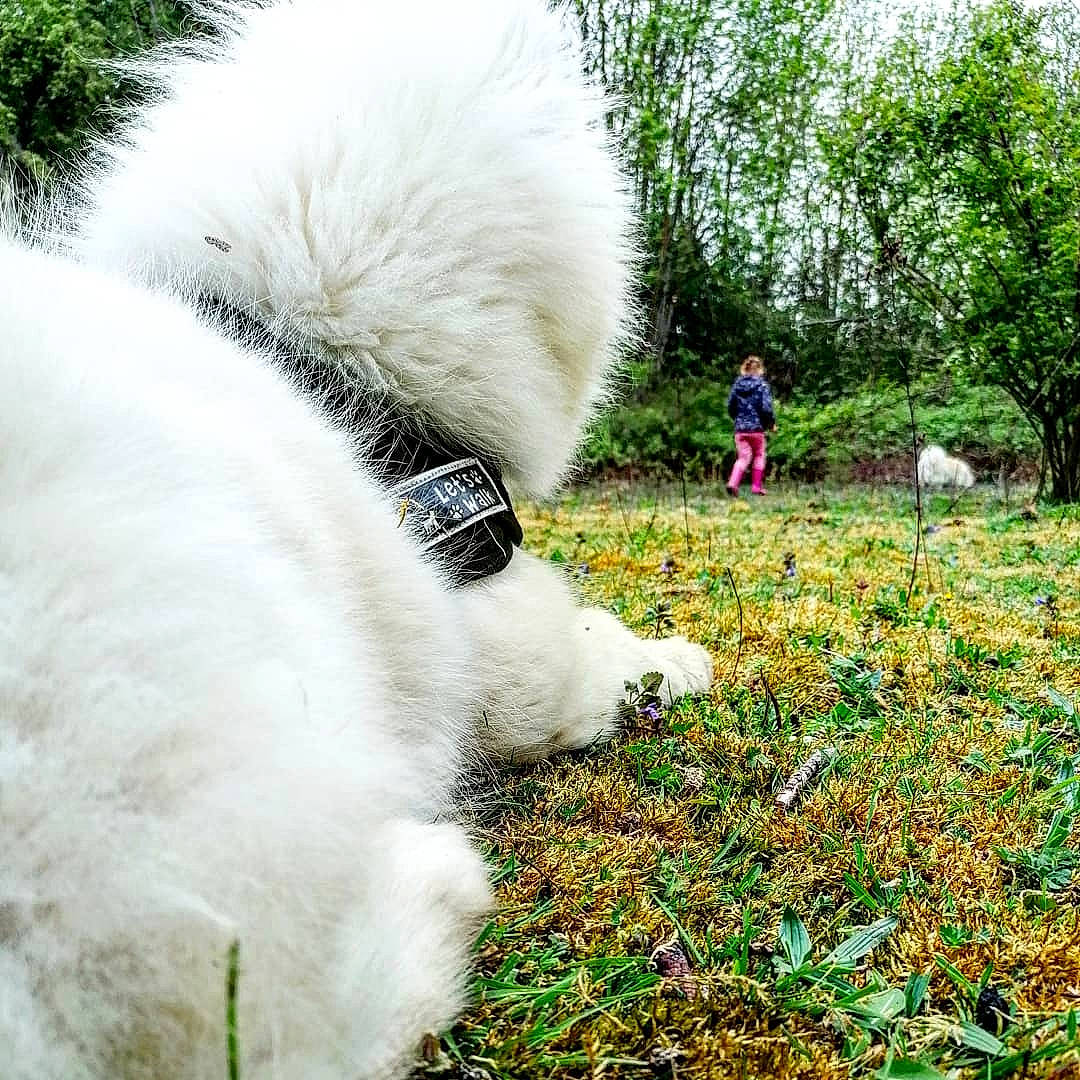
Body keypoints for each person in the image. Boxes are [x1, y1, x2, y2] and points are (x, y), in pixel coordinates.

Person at [725, 354, 776, 496]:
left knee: (743, 458)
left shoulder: (737, 385)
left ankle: (733, 483)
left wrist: (738, 419)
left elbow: (730, 406)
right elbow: (766, 408)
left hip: (740, 430)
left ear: (744, 369)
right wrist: (771, 424)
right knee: (759, 455)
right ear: (759, 369)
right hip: (757, 429)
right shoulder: (762, 385)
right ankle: (756, 487)